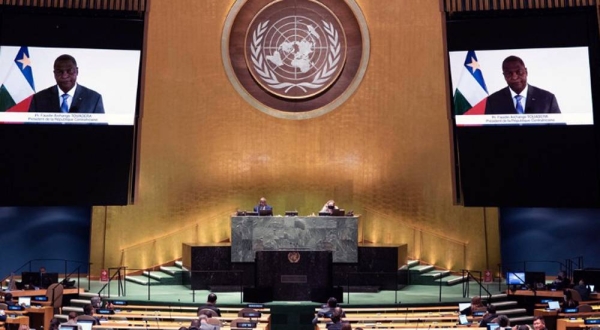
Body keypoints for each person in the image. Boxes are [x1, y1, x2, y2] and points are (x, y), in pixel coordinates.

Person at [28, 54, 105, 113]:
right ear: (54, 74)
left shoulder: (94, 99)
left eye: (69, 71)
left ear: (77, 71)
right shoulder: (38, 99)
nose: (64, 76)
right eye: (59, 72)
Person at [485, 56, 560, 115]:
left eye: (519, 72)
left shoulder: (548, 99)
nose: (514, 77)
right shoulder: (492, 101)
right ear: (504, 76)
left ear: (526, 72)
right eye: (509, 73)